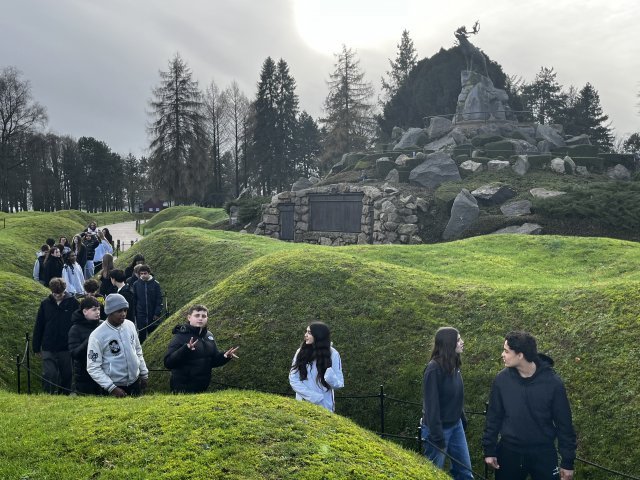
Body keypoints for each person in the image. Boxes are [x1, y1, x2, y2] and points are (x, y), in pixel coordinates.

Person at [483, 331, 577, 480]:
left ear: (520, 355)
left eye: (506, 351)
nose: (502, 354)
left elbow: (564, 424)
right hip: (509, 452)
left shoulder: (553, 383)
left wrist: (567, 462)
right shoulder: (501, 380)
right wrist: (489, 450)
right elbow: (493, 417)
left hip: (543, 453)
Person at [421, 327, 473, 480]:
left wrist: (462, 420)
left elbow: (455, 397)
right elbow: (431, 406)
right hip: (437, 430)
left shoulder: (454, 364)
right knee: (433, 473)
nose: (462, 342)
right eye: (458, 340)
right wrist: (438, 437)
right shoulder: (433, 369)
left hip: (456, 426)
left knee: (465, 472)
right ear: (449, 343)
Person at [163, 305, 239, 393]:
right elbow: (168, 363)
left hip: (202, 389)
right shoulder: (180, 336)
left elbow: (212, 361)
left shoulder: (209, 335)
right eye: (197, 315)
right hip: (182, 389)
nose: (200, 318)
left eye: (203, 316)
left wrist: (225, 356)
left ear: (207, 318)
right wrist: (185, 349)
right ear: (189, 317)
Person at [86, 293, 148, 397]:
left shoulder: (130, 325)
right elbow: (93, 367)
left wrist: (144, 373)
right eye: (119, 311)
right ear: (109, 312)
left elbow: (137, 350)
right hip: (114, 387)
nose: (123, 314)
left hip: (135, 383)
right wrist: (111, 388)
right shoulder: (97, 335)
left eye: (125, 310)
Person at [32, 277, 79, 394]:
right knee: (49, 374)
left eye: (60, 293)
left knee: (67, 374)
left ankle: (65, 396)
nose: (57, 296)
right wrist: (36, 347)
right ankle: (48, 395)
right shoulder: (45, 304)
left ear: (64, 290)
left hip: (66, 346)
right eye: (54, 293)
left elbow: (78, 324)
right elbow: (39, 325)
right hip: (49, 345)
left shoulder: (73, 303)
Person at [289, 322, 344, 412]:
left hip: (325, 406)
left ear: (319, 335)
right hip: (302, 405)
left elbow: (339, 383)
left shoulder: (333, 354)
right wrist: (313, 397)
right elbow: (293, 379)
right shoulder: (301, 352)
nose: (305, 335)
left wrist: (329, 377)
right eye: (306, 332)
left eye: (309, 333)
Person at [68, 296, 103, 395]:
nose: (98, 312)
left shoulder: (102, 325)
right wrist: (90, 340)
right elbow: (74, 353)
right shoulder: (75, 329)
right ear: (85, 311)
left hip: (103, 372)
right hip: (84, 375)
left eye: (99, 309)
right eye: (94, 310)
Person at [132, 264, 163, 343]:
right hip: (140, 314)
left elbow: (159, 299)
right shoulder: (136, 284)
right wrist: (135, 313)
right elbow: (134, 299)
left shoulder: (156, 284)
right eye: (141, 274)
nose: (143, 275)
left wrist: (157, 313)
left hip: (152, 314)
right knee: (141, 335)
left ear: (149, 273)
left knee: (153, 335)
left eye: (145, 273)